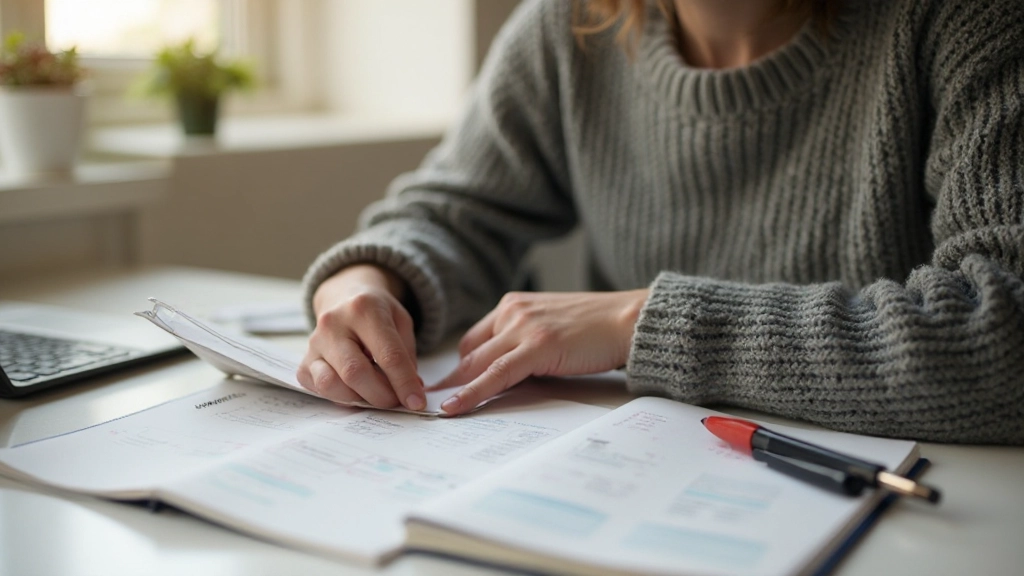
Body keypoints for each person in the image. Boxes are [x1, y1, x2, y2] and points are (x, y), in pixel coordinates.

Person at [298, 0, 1024, 444]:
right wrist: (368, 280)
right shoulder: (569, 25)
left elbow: (1005, 331)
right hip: (641, 482)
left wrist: (643, 321)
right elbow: (451, 212)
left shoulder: (968, 22)